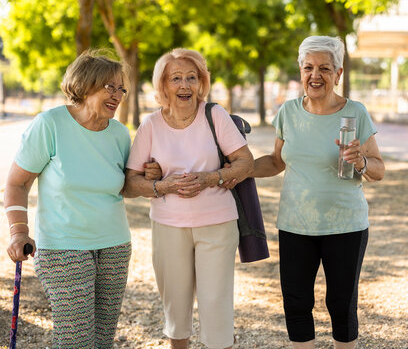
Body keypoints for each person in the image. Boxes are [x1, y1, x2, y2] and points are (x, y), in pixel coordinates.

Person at [4, 49, 157, 348]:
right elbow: (17, 182)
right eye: (109, 86)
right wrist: (18, 232)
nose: (117, 94)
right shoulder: (50, 124)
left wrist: (152, 174)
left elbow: (125, 185)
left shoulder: (119, 134)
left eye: (121, 88)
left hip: (114, 246)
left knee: (102, 339)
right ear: (85, 85)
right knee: (75, 339)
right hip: (63, 247)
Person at [253, 36, 385, 349]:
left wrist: (362, 161)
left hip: (346, 225)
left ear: (338, 73)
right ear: (300, 70)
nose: (315, 75)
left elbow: (379, 170)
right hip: (295, 224)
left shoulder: (355, 113)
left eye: (324, 68)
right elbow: (275, 162)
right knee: (296, 302)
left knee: (341, 304)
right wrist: (235, 170)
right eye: (308, 67)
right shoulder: (288, 112)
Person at [122, 48, 254, 349]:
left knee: (216, 304)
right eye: (176, 78)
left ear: (201, 82)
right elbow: (130, 184)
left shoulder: (215, 115)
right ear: (163, 86)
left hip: (217, 224)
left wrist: (211, 178)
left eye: (191, 78)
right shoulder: (151, 125)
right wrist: (163, 186)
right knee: (175, 307)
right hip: (168, 226)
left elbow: (245, 162)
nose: (184, 86)